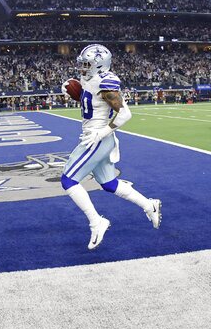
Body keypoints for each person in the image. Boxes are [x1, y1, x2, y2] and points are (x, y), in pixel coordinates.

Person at [60, 44, 161, 250]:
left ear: (99, 64)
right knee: (109, 184)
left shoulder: (106, 82)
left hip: (96, 138)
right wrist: (75, 93)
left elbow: (125, 114)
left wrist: (102, 132)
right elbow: (93, 102)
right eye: (82, 64)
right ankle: (149, 205)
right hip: (94, 137)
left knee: (68, 180)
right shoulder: (89, 80)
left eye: (87, 64)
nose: (83, 68)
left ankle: (97, 222)